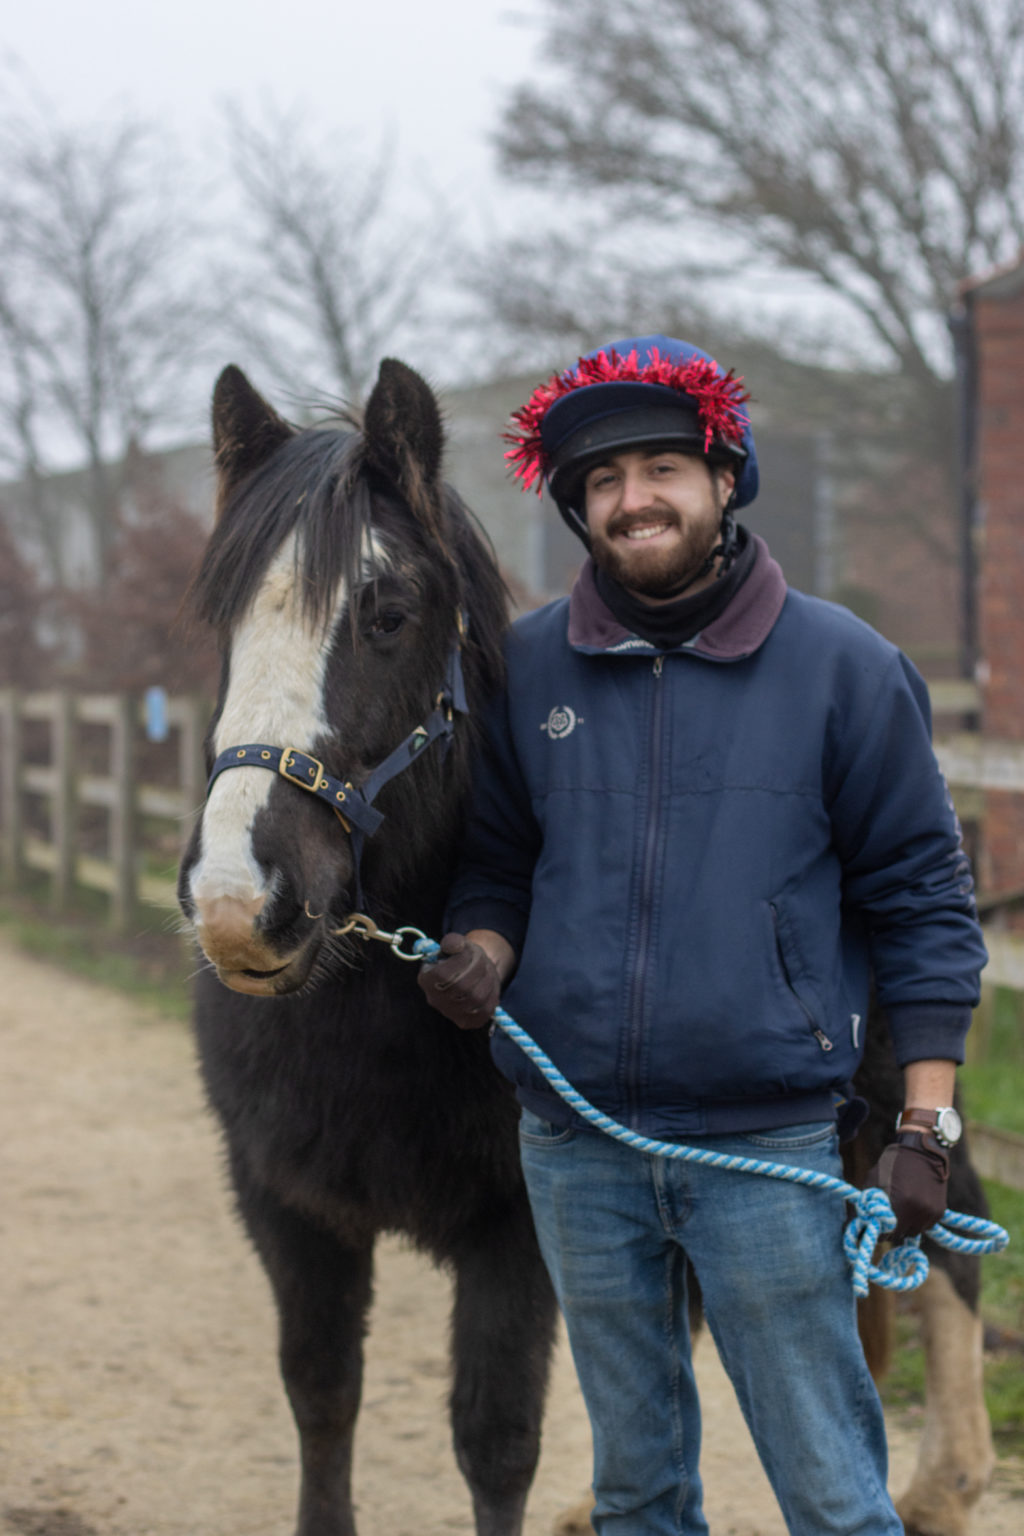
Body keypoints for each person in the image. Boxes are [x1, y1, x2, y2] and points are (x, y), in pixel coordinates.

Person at [417, 335, 987, 1536]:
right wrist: (482, 948)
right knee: (636, 1489)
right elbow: (500, 866)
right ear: (577, 507)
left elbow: (922, 904)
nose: (635, 500)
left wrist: (926, 1123)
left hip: (765, 1147)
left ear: (725, 476)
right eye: (603, 481)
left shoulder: (844, 668)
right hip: (575, 1146)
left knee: (831, 1490)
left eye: (662, 467)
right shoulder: (523, 671)